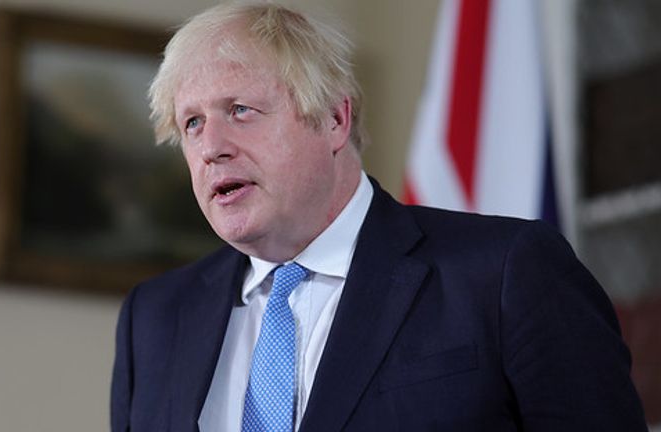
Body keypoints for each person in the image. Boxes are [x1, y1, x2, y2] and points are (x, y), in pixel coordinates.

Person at [110, 3, 647, 431]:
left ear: (334, 118)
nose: (211, 148)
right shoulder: (153, 318)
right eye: (192, 123)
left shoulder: (505, 273)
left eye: (240, 111)